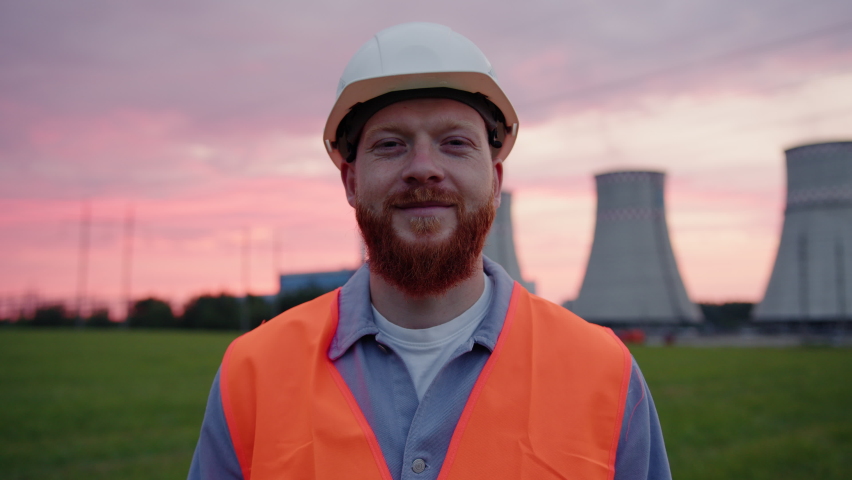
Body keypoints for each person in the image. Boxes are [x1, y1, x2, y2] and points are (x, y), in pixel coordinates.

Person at [188, 22, 671, 480]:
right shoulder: (253, 375)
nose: (423, 168)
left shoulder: (603, 374)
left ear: (496, 182)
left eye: (455, 143)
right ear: (351, 181)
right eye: (391, 144)